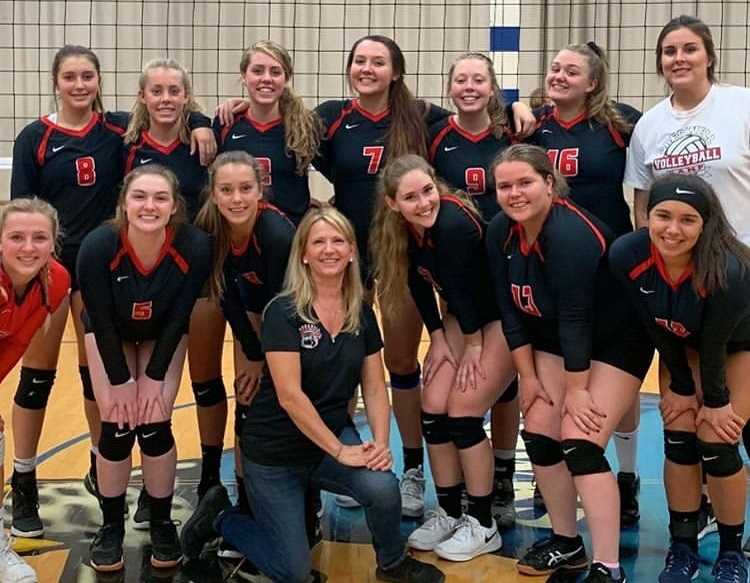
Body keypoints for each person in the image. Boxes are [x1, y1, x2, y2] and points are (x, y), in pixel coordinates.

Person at [10, 45, 214, 537]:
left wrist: (203, 118)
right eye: (70, 77)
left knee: (93, 380)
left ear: (99, 82)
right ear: (55, 82)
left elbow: (173, 110)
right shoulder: (35, 137)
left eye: (87, 77)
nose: (79, 85)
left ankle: (101, 459)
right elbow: (21, 210)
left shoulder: (118, 133)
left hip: (106, 269)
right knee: (37, 378)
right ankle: (23, 480)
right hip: (54, 268)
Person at [180, 206, 445, 583]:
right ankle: (222, 519)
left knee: (383, 487)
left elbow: (373, 384)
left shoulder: (361, 313)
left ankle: (391, 563)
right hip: (275, 456)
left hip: (327, 444)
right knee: (293, 571)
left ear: (352, 251)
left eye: (338, 240)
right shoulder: (283, 312)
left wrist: (381, 446)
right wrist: (340, 450)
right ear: (303, 253)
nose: (329, 249)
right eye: (318, 241)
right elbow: (290, 397)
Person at [487, 144, 653, 582]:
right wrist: (526, 376)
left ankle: (608, 565)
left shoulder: (570, 235)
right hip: (556, 341)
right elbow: (509, 310)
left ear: (549, 183)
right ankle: (567, 544)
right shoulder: (499, 230)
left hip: (616, 340)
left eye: (525, 182)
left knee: (579, 440)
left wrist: (577, 392)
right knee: (540, 431)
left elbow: (579, 319)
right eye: (505, 185)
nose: (514, 193)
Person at [624, 14, 750, 542]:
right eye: (669, 50)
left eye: (689, 49)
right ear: (659, 62)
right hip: (684, 288)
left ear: (709, 56)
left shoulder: (741, 105)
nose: (679, 58)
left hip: (740, 279)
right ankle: (700, 514)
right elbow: (639, 203)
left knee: (733, 412)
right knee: (694, 408)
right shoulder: (649, 124)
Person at [371, 154, 515, 561]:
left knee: (463, 411)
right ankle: (450, 511)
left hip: (501, 318)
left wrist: (470, 346)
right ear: (392, 203)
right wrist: (436, 335)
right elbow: (418, 286)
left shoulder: (451, 224)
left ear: (438, 186)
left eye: (428, 191)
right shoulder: (399, 232)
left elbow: (463, 290)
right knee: (432, 406)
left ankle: (483, 523)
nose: (423, 203)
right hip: (461, 318)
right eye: (411, 197)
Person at [610, 174, 750, 583]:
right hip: (677, 343)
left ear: (706, 224)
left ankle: (730, 552)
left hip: (738, 345)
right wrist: (683, 391)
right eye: (663, 216)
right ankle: (682, 546)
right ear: (647, 216)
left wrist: (713, 400)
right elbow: (654, 328)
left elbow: (716, 344)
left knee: (717, 438)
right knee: (679, 436)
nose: (673, 229)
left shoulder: (731, 267)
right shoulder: (626, 255)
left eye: (688, 220)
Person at [528, 42, 643, 525]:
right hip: (553, 264)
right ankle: (551, 475)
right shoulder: (533, 125)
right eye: (555, 68)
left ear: (592, 83)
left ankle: (628, 475)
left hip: (610, 265)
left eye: (571, 71)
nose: (559, 76)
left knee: (620, 381)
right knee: (556, 361)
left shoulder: (620, 125)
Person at [77, 164, 211, 572]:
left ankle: (160, 521)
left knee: (154, 420)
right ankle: (111, 526)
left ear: (174, 207)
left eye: (160, 198)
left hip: (162, 332)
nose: (149, 206)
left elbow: (180, 315)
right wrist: (120, 382)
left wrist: (153, 377)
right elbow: (98, 319)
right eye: (139, 197)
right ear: (123, 204)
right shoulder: (99, 245)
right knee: (116, 424)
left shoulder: (194, 245)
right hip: (110, 333)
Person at [427, 51, 521, 529]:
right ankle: (457, 493)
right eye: (460, 79)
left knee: (505, 386)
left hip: (509, 275)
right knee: (453, 395)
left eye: (478, 79)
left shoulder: (515, 133)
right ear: (450, 89)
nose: (469, 86)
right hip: (459, 285)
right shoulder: (436, 138)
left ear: (492, 88)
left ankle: (502, 473)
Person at [0, 198, 70, 583]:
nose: (28, 247)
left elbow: (13, 347)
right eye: (16, 237)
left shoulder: (56, 281)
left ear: (53, 242)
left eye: (39, 237)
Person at [215, 40, 321, 226]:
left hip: (290, 235)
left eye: (275, 72)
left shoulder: (305, 126)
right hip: (238, 233)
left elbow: (342, 167)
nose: (266, 78)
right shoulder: (226, 123)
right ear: (243, 76)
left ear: (286, 78)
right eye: (257, 71)